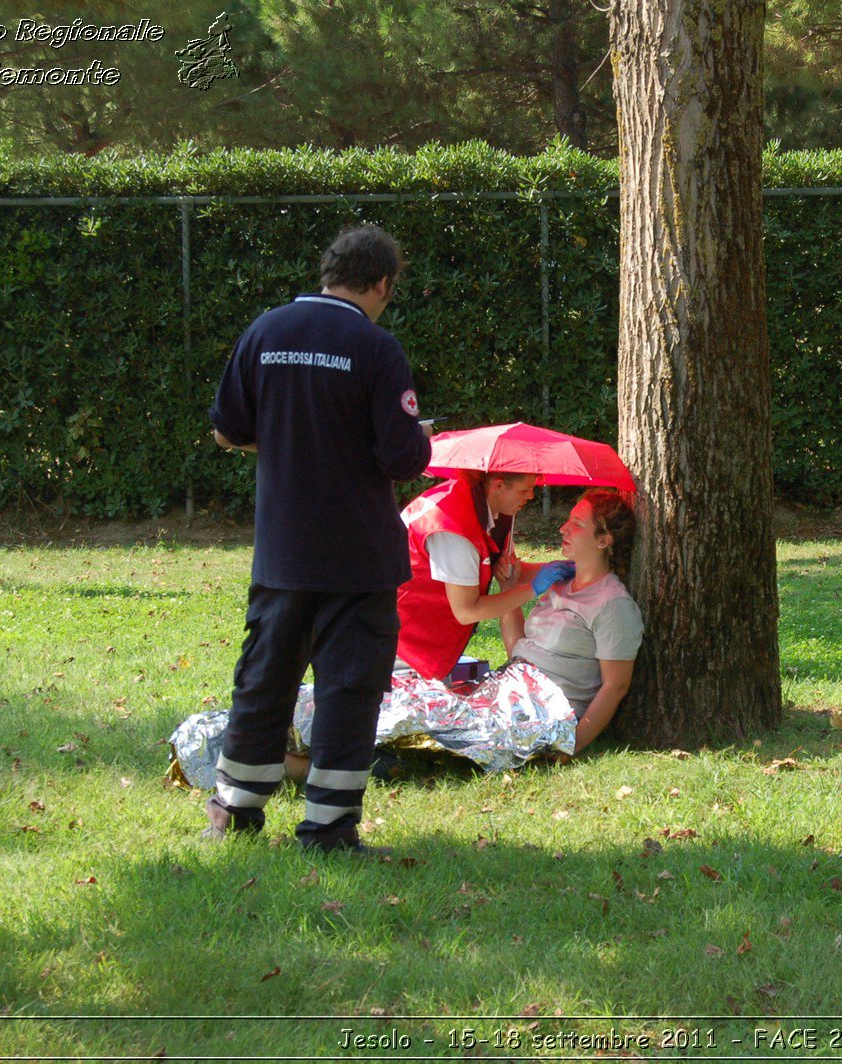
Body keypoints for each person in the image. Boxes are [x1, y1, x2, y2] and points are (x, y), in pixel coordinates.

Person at [203, 223, 432, 854]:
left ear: (327, 272)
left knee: (263, 679)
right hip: (358, 557)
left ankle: (237, 810)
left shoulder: (266, 332)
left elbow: (227, 429)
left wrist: (286, 438)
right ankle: (328, 827)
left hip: (282, 550)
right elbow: (400, 457)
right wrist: (421, 436)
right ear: (382, 284)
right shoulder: (376, 348)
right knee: (348, 689)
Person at [395, 469, 573, 681]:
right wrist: (531, 589)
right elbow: (467, 610)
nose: (531, 496)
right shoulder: (453, 525)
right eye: (525, 490)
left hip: (428, 643)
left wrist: (564, 568)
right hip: (401, 647)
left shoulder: (493, 510)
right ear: (498, 486)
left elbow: (511, 571)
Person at [501, 488, 642, 752]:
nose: (563, 529)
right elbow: (516, 651)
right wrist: (507, 588)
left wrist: (573, 744)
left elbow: (616, 685)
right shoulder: (560, 582)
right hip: (510, 691)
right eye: (568, 520)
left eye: (576, 525)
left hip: (544, 711)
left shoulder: (612, 605)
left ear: (604, 541)